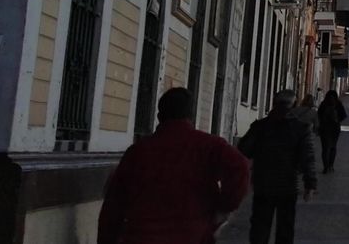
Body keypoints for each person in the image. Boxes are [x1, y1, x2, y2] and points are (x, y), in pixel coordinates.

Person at [97, 87, 250, 244]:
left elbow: (113, 208)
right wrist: (224, 205)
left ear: (159, 116)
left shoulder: (137, 152)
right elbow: (240, 167)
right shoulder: (209, 146)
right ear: (190, 116)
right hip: (192, 235)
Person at [238, 89, 318, 244]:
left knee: (259, 228)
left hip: (263, 184)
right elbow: (308, 158)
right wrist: (310, 184)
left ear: (274, 103)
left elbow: (244, 149)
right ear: (293, 105)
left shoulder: (260, 126)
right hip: (287, 186)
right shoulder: (301, 128)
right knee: (285, 229)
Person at [316, 90, 347, 173]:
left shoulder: (324, 103)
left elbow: (318, 115)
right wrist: (337, 120)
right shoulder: (338, 104)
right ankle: (331, 166)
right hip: (335, 128)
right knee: (333, 147)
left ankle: (325, 166)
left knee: (325, 148)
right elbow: (344, 115)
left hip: (324, 128)